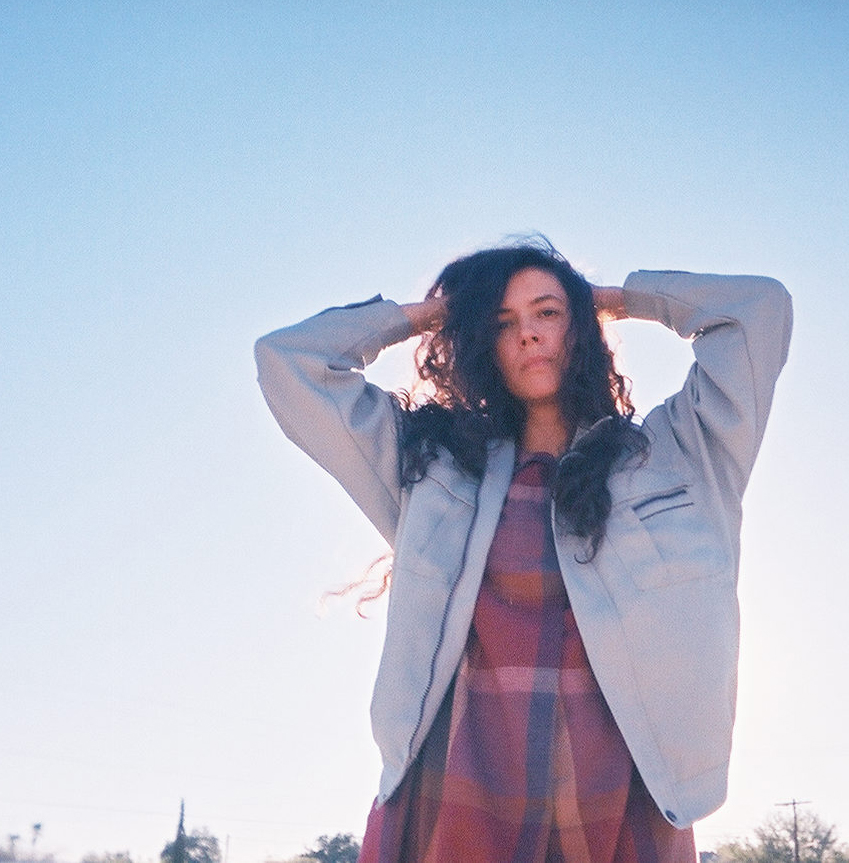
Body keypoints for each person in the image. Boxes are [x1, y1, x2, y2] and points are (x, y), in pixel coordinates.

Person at [255, 237, 792, 862]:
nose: (528, 334)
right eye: (501, 322)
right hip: (452, 794)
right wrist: (435, 314)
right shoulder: (433, 469)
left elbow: (758, 312)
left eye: (548, 313)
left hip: (624, 797)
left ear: (583, 327)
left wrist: (617, 300)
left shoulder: (679, 456)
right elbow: (288, 361)